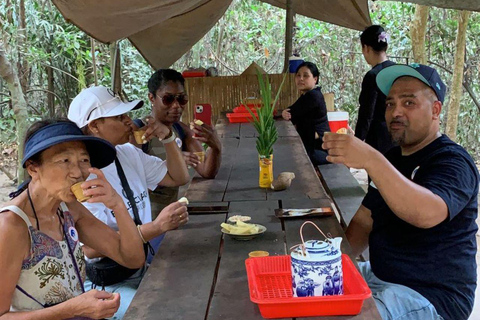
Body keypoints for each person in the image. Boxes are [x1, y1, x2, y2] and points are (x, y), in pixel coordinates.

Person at [322, 64, 479, 320]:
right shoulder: (393, 158)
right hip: (380, 275)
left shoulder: (453, 161)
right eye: (390, 104)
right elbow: (364, 220)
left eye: (409, 103)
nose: (395, 112)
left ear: (435, 110)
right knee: (305, 286)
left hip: (430, 296)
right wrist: (337, 263)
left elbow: (427, 213)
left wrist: (372, 160)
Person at [0, 119, 145, 319]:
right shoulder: (11, 226)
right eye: (64, 161)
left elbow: (132, 258)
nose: (78, 173)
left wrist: (117, 205)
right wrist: (74, 308)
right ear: (33, 169)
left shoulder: (69, 209)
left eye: (84, 160)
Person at [67, 86, 190, 319]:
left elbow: (178, 178)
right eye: (119, 117)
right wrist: (157, 227)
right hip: (108, 283)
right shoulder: (79, 179)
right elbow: (91, 249)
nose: (128, 122)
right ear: (94, 126)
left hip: (141, 267)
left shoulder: (126, 153)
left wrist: (168, 138)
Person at [145, 69, 222, 216]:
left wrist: (215, 146)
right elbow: (127, 184)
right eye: (168, 99)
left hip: (171, 219)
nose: (176, 106)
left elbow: (206, 170)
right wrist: (172, 163)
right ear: (152, 98)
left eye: (181, 99)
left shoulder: (181, 129)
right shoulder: (139, 133)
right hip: (145, 222)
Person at [355, 25, 395, 154]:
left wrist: (357, 141)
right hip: (399, 135)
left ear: (366, 48)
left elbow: (366, 114)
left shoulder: (373, 75)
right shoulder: (400, 71)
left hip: (378, 139)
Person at [281, 61, 330, 165]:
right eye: (298, 75)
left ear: (315, 79)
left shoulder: (313, 96)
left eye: (306, 76)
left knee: (287, 159)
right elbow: (292, 112)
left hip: (319, 151)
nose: (301, 79)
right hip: (313, 148)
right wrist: (285, 113)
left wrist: (284, 113)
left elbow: (292, 113)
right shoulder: (308, 95)